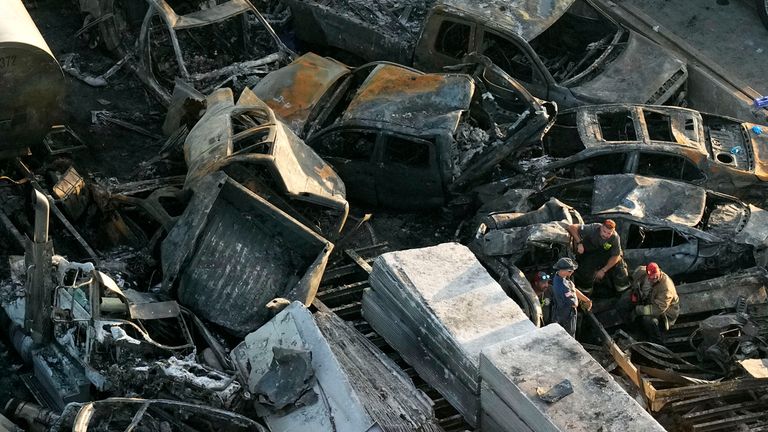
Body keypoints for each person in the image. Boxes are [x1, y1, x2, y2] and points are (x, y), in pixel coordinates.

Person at [566, 219, 630, 295]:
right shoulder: (593, 228)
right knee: (585, 273)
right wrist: (579, 242)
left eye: (609, 233)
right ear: (601, 227)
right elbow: (571, 227)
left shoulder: (615, 237)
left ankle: (623, 291)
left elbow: (616, 255)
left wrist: (603, 270)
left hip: (603, 255)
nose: (606, 235)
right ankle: (585, 294)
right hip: (588, 254)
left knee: (620, 265)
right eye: (604, 231)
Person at [633, 262, 680, 344]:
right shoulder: (642, 273)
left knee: (648, 320)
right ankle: (636, 331)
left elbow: (658, 309)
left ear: (659, 271)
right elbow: (635, 278)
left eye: (656, 274)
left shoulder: (666, 288)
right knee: (624, 304)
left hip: (665, 313)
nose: (654, 277)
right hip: (650, 303)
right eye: (651, 276)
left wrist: (638, 310)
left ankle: (657, 342)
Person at [550, 258, 592, 336]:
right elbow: (574, 303)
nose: (572, 272)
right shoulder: (563, 287)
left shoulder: (558, 276)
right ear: (562, 270)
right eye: (569, 271)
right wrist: (573, 292)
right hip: (566, 316)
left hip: (558, 312)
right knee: (569, 335)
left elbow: (572, 288)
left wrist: (586, 300)